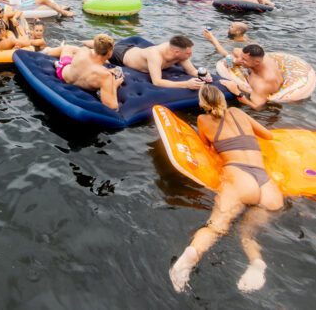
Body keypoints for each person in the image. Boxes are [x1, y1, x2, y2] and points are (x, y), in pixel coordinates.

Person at [170, 84, 283, 293]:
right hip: (266, 185)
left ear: (202, 103)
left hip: (239, 178)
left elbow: (207, 147)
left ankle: (191, 256)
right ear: (222, 99)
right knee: (247, 234)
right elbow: (268, 135)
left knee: (216, 227)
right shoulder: (238, 111)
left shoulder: (203, 120)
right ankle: (257, 263)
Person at [47, 34, 124, 109]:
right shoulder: (105, 75)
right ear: (109, 52)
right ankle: (57, 63)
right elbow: (112, 107)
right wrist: (114, 85)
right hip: (80, 78)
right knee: (68, 53)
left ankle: (47, 53)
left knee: (67, 48)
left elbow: (89, 66)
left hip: (62, 72)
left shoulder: (84, 51)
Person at [111, 35, 207, 90]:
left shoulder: (180, 55)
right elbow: (157, 82)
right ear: (177, 52)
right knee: (103, 47)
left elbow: (192, 71)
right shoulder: (155, 56)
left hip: (133, 48)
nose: (190, 55)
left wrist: (204, 76)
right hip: (120, 54)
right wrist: (186, 84)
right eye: (188, 53)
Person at [220, 44, 284, 109]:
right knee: (235, 51)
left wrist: (237, 92)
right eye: (241, 57)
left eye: (244, 59)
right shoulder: (262, 58)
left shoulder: (261, 84)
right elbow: (236, 50)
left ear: (257, 62)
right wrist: (235, 61)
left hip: (266, 85)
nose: (240, 60)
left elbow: (257, 107)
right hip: (259, 72)